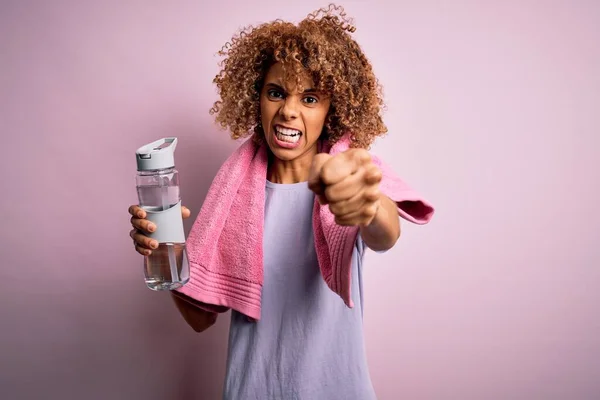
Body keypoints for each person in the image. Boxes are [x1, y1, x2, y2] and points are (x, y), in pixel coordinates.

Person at [128, 5, 433, 399]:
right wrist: (162, 253)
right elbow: (199, 318)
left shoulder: (346, 177)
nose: (288, 110)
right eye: (276, 93)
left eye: (309, 98)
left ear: (332, 109)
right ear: (257, 98)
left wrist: (368, 204)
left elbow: (385, 233)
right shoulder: (232, 197)